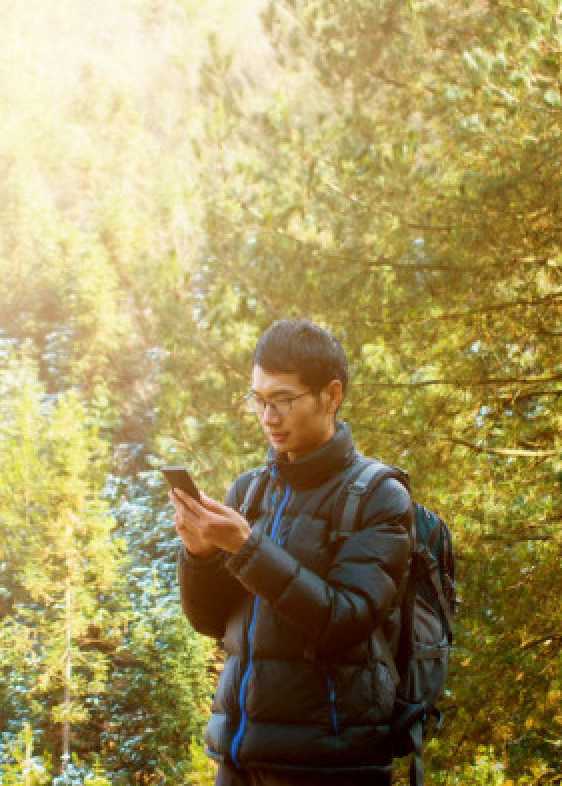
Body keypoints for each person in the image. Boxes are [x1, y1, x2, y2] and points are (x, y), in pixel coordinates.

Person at [170, 319, 414, 786]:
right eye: (259, 400)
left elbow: (344, 621)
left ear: (331, 395)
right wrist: (200, 554)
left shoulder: (378, 496)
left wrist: (245, 548)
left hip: (329, 763)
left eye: (282, 399)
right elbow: (211, 622)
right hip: (237, 758)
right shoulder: (249, 490)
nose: (268, 416)